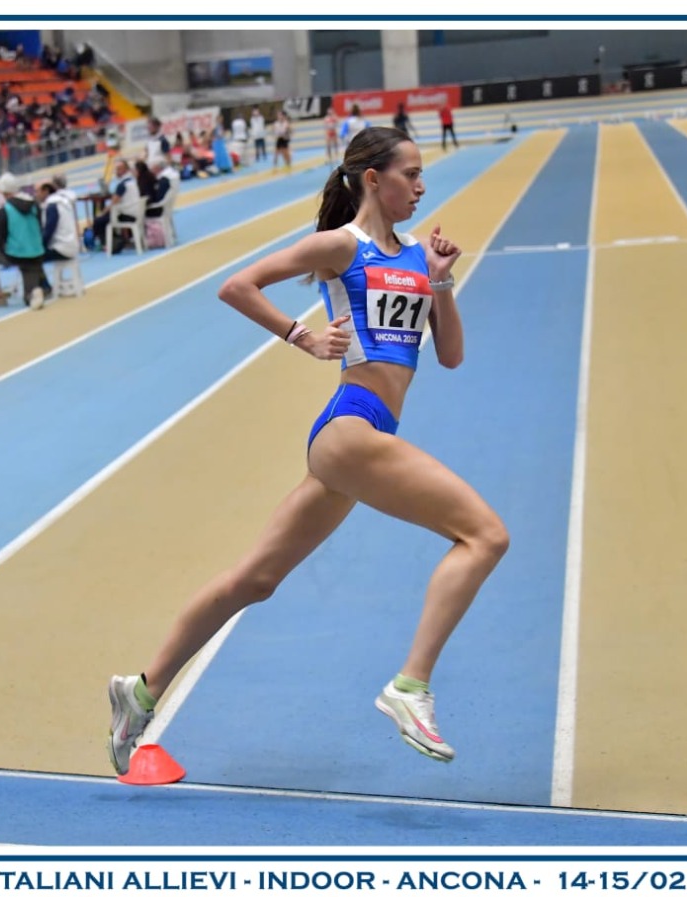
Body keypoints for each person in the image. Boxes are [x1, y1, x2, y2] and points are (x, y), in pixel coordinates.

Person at [106, 126, 506, 774]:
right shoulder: (339, 247)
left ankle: (140, 689)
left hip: (361, 440)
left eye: (423, 174)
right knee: (486, 535)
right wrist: (300, 335)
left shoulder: (415, 259)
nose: (422, 186)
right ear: (373, 178)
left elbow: (452, 355)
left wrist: (441, 283)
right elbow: (238, 285)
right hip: (351, 427)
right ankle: (410, 687)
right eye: (410, 173)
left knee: (254, 580)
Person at [0, 172, 47, 310]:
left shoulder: (4, 211)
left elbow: (1, 238)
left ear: (3, 192)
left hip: (15, 255)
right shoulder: (34, 206)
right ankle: (35, 291)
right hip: (36, 254)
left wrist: (5, 252)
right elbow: (40, 228)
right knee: (29, 299)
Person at [37, 178, 80, 292]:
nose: (36, 195)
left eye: (37, 191)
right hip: (71, 244)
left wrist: (39, 246)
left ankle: (44, 287)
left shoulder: (52, 206)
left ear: (46, 191)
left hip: (62, 248)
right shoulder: (62, 201)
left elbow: (49, 231)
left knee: (32, 258)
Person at [91, 156, 142, 253]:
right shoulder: (133, 181)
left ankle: (106, 243)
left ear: (125, 170)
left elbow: (112, 204)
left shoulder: (122, 185)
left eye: (119, 169)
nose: (116, 172)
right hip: (136, 212)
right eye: (116, 169)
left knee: (99, 221)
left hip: (127, 215)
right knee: (105, 217)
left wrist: (102, 213)